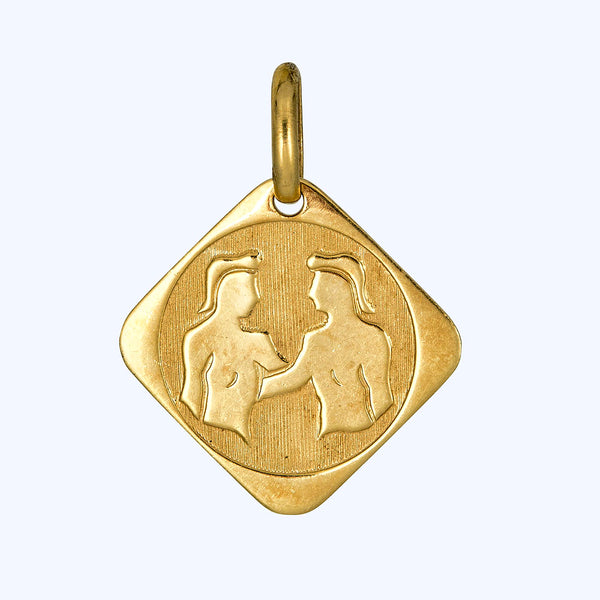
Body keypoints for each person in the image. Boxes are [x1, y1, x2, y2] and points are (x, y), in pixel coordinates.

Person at [260, 253, 394, 437]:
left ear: (337, 290)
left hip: (362, 429)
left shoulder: (372, 337)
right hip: (326, 432)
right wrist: (249, 390)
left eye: (317, 285)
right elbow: (293, 378)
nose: (311, 293)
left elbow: (382, 398)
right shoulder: (316, 340)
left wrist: (372, 436)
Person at [180, 252, 286, 441]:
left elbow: (288, 378)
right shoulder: (199, 339)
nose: (256, 297)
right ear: (228, 292)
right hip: (215, 431)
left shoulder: (257, 342)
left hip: (246, 433)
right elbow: (190, 396)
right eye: (249, 289)